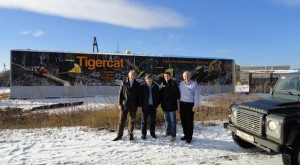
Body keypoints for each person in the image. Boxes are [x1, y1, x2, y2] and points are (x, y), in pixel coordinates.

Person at [113, 70, 141, 141]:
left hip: (133, 105)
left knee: (131, 121)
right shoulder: (124, 83)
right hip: (124, 105)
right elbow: (120, 94)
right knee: (121, 121)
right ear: (128, 75)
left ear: (135, 76)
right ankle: (119, 135)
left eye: (133, 75)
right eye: (131, 75)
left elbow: (139, 96)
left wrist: (138, 105)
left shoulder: (137, 84)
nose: (132, 76)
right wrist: (119, 104)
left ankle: (130, 135)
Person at [179, 71, 200, 143]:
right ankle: (185, 135)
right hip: (182, 104)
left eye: (187, 76)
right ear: (183, 77)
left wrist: (195, 106)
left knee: (189, 122)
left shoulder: (194, 84)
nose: (186, 77)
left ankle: (189, 137)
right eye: (185, 76)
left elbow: (197, 96)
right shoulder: (181, 84)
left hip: (190, 105)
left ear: (190, 76)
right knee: (183, 121)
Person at [160, 72, 180, 142]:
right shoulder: (162, 84)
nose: (166, 77)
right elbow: (160, 96)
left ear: (170, 76)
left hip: (172, 106)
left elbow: (177, 95)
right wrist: (161, 104)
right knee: (167, 120)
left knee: (173, 121)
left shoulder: (173, 84)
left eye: (167, 76)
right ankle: (168, 132)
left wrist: (171, 100)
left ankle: (173, 135)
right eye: (165, 76)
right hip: (165, 106)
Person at [140, 74, 160, 140]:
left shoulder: (156, 86)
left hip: (152, 106)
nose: (149, 80)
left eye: (150, 79)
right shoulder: (142, 86)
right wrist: (141, 104)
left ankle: (152, 133)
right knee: (144, 121)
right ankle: (143, 134)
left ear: (152, 79)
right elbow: (139, 97)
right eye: (147, 79)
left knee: (153, 121)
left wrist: (156, 104)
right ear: (145, 80)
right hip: (145, 106)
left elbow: (158, 97)